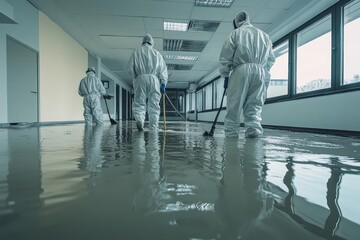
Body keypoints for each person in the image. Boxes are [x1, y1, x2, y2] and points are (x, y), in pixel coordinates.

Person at [219, 11, 276, 138]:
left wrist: (225, 74)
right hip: (260, 71)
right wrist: (263, 71)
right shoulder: (264, 36)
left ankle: (231, 139)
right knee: (254, 108)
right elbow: (271, 59)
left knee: (234, 107)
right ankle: (253, 139)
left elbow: (225, 56)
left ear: (236, 23)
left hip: (241, 71)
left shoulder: (235, 33)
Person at [128, 34, 168, 131]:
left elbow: (130, 69)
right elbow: (163, 70)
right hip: (154, 79)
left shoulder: (136, 52)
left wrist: (135, 77)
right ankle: (153, 127)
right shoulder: (157, 53)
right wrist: (163, 83)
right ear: (152, 42)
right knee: (154, 104)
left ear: (143, 42)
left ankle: (139, 120)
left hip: (140, 78)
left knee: (139, 102)